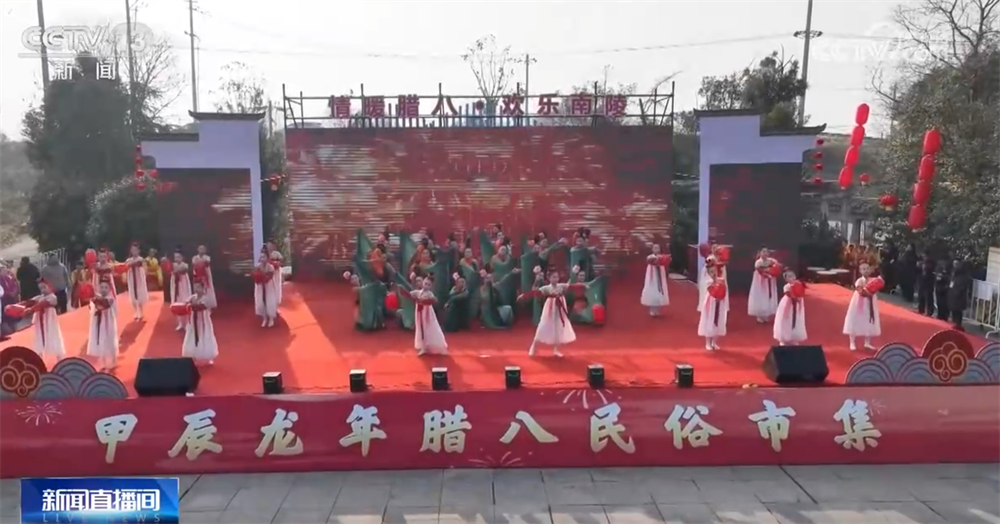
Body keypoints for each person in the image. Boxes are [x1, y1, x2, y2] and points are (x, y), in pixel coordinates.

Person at [522, 271, 587, 357]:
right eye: (553, 277)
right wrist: (524, 296)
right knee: (543, 325)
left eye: (557, 277)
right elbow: (535, 293)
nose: (556, 279)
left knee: (558, 327)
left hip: (560, 307)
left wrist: (583, 286)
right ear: (549, 278)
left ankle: (556, 350)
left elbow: (572, 286)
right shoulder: (546, 288)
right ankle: (533, 346)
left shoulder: (561, 286)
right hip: (550, 308)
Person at [843, 262, 881, 351]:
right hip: (859, 302)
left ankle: (867, 342)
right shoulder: (859, 281)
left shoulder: (872, 280)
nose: (866, 270)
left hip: (870, 303)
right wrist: (868, 292)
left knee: (869, 319)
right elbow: (860, 291)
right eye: (863, 269)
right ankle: (852, 342)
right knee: (855, 319)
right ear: (860, 271)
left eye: (867, 268)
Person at [182, 278, 218, 365]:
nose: (196, 289)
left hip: (204, 321)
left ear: (203, 288)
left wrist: (193, 306)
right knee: (192, 336)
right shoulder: (192, 297)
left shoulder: (206, 298)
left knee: (205, 335)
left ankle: (209, 357)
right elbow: (185, 304)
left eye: (198, 287)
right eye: (195, 287)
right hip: (193, 322)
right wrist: (187, 305)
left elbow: (206, 306)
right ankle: (193, 356)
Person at [87, 278, 119, 371]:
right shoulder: (95, 299)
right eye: (102, 287)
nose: (103, 289)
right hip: (98, 323)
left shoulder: (110, 299)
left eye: (106, 287)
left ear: (109, 289)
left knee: (109, 339)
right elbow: (92, 308)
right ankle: (103, 362)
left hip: (108, 323)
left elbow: (105, 303)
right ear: (98, 288)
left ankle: (113, 360)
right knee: (100, 340)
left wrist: (94, 296)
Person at [410, 277, 448, 356]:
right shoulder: (418, 292)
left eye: (428, 285)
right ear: (422, 283)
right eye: (425, 284)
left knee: (433, 328)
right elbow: (410, 294)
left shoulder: (430, 294)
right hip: (420, 314)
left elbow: (434, 300)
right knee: (422, 330)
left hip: (428, 315)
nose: (426, 286)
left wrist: (430, 300)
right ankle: (423, 347)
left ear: (431, 287)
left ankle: (442, 347)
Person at [30, 279, 65, 362]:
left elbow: (43, 304)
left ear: (49, 287)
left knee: (54, 335)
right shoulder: (40, 297)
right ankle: (39, 358)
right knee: (39, 337)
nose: (43, 290)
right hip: (40, 320)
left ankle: (59, 358)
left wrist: (30, 309)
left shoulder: (53, 297)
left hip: (50, 320)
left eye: (44, 287)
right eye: (41, 288)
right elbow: (30, 301)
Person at [773, 270, 808, 346]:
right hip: (788, 304)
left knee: (796, 319)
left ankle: (793, 338)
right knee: (786, 319)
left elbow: (802, 292)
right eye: (789, 277)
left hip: (797, 303)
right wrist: (794, 297)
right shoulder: (787, 286)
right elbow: (788, 293)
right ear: (786, 279)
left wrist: (799, 297)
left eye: (793, 276)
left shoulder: (799, 284)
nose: (792, 278)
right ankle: (785, 338)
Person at [698, 265, 728, 351]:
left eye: (715, 271)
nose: (714, 273)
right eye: (711, 272)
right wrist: (716, 281)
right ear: (708, 273)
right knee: (710, 321)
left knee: (718, 321)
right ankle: (708, 343)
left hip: (719, 302)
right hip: (711, 304)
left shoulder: (720, 280)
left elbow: (723, 289)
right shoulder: (708, 281)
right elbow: (712, 289)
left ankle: (714, 342)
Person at [748, 247, 780, 324]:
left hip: (769, 280)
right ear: (760, 253)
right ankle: (759, 314)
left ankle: (766, 314)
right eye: (763, 252)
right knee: (761, 295)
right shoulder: (758, 262)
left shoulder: (772, 260)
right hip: (760, 281)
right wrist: (766, 273)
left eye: (767, 252)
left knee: (768, 295)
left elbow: (777, 267)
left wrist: (773, 271)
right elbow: (760, 271)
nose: (765, 253)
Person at [640, 243, 670, 317]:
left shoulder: (662, 257)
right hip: (652, 277)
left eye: (658, 248)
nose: (656, 249)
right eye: (655, 248)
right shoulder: (650, 257)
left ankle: (657, 309)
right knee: (652, 291)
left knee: (659, 291)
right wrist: (656, 260)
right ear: (652, 249)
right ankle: (652, 309)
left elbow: (665, 261)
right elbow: (650, 261)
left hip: (660, 276)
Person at [124, 243, 148, 321]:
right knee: (133, 294)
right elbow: (125, 269)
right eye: (132, 250)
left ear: (138, 251)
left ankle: (141, 311)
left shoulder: (141, 259)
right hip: (131, 278)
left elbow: (145, 267)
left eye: (135, 250)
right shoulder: (128, 260)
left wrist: (144, 273)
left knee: (140, 294)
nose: (134, 251)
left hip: (139, 278)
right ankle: (135, 311)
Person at [170, 250, 192, 331]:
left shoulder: (185, 265)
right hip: (175, 285)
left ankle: (187, 323)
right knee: (177, 302)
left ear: (182, 257)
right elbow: (170, 270)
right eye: (175, 257)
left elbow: (183, 270)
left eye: (178, 257)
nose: (177, 259)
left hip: (183, 284)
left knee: (184, 301)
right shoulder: (173, 265)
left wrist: (176, 271)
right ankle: (180, 323)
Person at [254, 253, 278, 327]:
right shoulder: (258, 266)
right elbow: (255, 275)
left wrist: (265, 278)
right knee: (260, 302)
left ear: (267, 258)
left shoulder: (270, 267)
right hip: (260, 287)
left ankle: (271, 319)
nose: (262, 258)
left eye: (264, 257)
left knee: (270, 301)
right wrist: (258, 278)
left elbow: (270, 276)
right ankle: (264, 318)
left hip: (269, 286)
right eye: (261, 257)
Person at [948, 261, 972, 331]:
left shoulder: (963, 277)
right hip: (954, 295)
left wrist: (956, 292)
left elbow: (963, 287)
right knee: (955, 311)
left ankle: (957, 324)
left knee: (957, 311)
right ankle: (955, 323)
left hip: (958, 296)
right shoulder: (956, 276)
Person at [916, 252, 937, 316]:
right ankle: (921, 309)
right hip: (922, 280)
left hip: (928, 282)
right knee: (921, 296)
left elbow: (931, 269)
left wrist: (924, 266)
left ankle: (929, 311)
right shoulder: (921, 261)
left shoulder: (931, 262)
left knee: (928, 297)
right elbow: (918, 269)